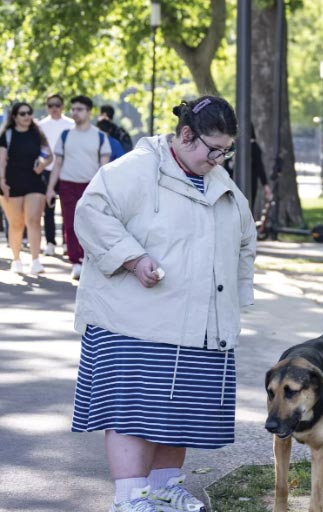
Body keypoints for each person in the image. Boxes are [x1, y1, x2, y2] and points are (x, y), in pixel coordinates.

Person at [71, 95, 256, 512]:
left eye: (226, 150)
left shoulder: (219, 181)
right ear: (186, 135)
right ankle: (130, 497)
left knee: (181, 411)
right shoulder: (136, 169)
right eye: (214, 149)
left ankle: (163, 486)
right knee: (133, 411)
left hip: (200, 322)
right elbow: (91, 212)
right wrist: (134, 258)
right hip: (131, 320)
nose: (219, 158)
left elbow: (245, 240)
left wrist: (233, 300)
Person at [45, 95, 111, 280]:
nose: (75, 112)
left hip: (91, 186)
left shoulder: (99, 136)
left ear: (89, 112)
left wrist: (104, 190)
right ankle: (76, 262)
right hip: (67, 185)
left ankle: (89, 259)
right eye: (73, 109)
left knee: (91, 225)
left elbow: (104, 167)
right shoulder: (65, 135)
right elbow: (57, 163)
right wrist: (50, 188)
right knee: (70, 223)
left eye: (79, 109)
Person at [0, 102, 53, 274]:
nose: (27, 116)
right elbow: (1, 161)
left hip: (34, 182)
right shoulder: (7, 135)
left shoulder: (37, 133)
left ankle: (35, 260)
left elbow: (49, 155)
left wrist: (42, 165)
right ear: (14, 116)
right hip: (11, 182)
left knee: (33, 220)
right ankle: (16, 260)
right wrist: (2, 182)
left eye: (29, 113)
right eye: (23, 113)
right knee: (16, 224)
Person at [38, 93, 75, 256]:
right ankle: (50, 242)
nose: (54, 108)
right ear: (47, 107)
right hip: (47, 170)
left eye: (57, 105)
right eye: (51, 105)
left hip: (67, 170)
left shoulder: (71, 124)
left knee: (68, 209)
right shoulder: (41, 125)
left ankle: (67, 242)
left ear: (63, 106)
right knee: (48, 209)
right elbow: (39, 148)